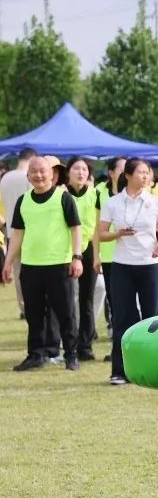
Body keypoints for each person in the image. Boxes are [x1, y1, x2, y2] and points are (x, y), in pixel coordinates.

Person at [2, 156, 83, 371]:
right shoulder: (23, 201)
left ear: (51, 174)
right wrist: (8, 262)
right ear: (28, 175)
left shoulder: (63, 197)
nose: (38, 175)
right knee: (34, 314)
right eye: (34, 172)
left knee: (66, 313)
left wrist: (77, 257)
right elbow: (17, 234)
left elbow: (76, 229)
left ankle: (71, 354)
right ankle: (36, 354)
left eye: (42, 171)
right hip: (30, 266)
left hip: (59, 265)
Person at [98, 158, 158, 385]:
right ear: (127, 175)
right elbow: (101, 234)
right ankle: (120, 371)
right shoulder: (113, 203)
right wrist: (118, 234)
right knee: (123, 319)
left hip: (149, 266)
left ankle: (153, 369)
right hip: (122, 266)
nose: (146, 176)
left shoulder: (156, 202)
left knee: (153, 318)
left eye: (147, 172)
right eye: (141, 172)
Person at [65, 157, 101, 360]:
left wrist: (97, 254)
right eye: (76, 169)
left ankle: (85, 346)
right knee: (66, 299)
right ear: (68, 172)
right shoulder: (61, 195)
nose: (81, 173)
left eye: (84, 169)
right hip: (64, 251)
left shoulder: (95, 195)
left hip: (88, 250)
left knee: (86, 299)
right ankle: (67, 343)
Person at [0, 147, 36, 318]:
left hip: (10, 232)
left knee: (18, 272)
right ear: (32, 159)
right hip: (30, 232)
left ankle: (24, 307)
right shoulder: (29, 177)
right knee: (33, 271)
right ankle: (34, 304)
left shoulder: (5, 178)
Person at [94, 157, 126, 344]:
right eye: (121, 169)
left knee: (128, 296)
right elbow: (96, 227)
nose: (126, 172)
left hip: (130, 255)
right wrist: (96, 255)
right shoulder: (99, 192)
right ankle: (114, 326)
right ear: (111, 173)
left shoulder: (133, 193)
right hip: (108, 255)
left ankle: (125, 328)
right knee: (112, 295)